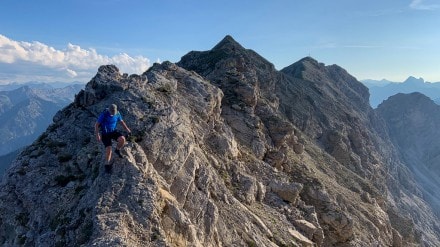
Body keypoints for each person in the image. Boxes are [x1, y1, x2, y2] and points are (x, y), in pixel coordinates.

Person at [95, 104, 131, 172]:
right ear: (109, 110)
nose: (112, 114)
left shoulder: (117, 113)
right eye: (111, 113)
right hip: (105, 134)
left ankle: (117, 150)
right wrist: (97, 135)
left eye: (113, 113)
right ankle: (107, 164)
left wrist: (127, 129)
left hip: (113, 131)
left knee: (122, 139)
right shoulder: (104, 114)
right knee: (109, 149)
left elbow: (121, 121)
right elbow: (96, 125)